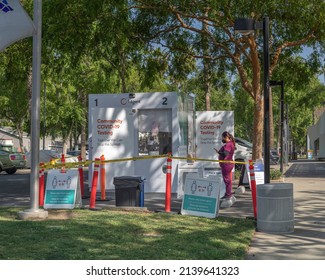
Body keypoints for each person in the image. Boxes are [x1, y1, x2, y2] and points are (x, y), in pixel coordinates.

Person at [214, 131, 235, 200]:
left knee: (227, 180)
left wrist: (219, 152)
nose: (222, 139)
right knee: (228, 180)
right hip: (228, 164)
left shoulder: (228, 144)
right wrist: (219, 152)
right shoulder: (231, 143)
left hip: (226, 164)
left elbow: (225, 154)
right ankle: (228, 193)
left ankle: (228, 195)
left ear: (226, 137)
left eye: (223, 138)